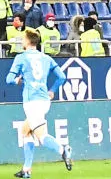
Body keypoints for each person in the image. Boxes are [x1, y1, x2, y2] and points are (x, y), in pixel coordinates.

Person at [5, 28, 70, 177]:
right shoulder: (46, 58)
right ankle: (26, 169)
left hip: (32, 101)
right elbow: (61, 76)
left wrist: (18, 80)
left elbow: (8, 80)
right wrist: (52, 90)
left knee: (41, 136)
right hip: (44, 100)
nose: (21, 41)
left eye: (22, 39)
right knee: (25, 130)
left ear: (27, 41)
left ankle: (62, 149)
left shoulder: (21, 57)